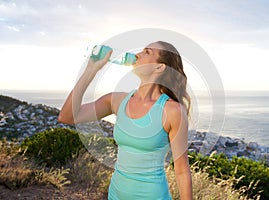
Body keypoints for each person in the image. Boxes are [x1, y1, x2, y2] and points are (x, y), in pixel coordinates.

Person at [58, 41, 193, 200]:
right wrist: (91, 69)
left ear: (159, 67)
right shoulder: (117, 100)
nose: (137, 54)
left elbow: (182, 170)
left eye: (147, 52)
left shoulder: (173, 111)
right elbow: (67, 116)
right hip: (115, 195)